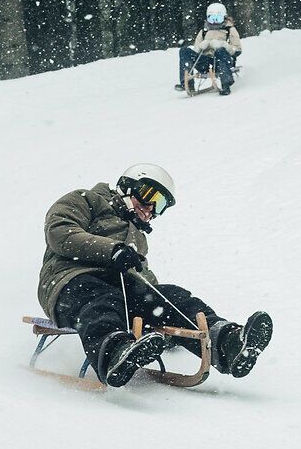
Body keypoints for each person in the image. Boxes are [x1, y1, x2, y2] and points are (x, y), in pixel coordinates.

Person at [37, 164, 273, 388]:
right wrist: (111, 250)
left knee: (170, 297)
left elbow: (145, 281)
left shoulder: (136, 237)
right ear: (127, 186)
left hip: (119, 294)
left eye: (159, 205)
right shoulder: (86, 200)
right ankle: (114, 353)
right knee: (101, 298)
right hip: (69, 282)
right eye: (148, 194)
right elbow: (60, 232)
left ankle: (227, 343)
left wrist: (164, 319)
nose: (150, 207)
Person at [177, 0, 243, 93]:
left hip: (223, 62)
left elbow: (237, 50)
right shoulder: (204, 31)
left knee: (219, 51)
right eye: (212, 18)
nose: (215, 22)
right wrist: (200, 46)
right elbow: (196, 51)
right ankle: (187, 83)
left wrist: (223, 45)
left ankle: (226, 84)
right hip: (206, 63)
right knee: (184, 51)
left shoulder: (230, 30)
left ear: (224, 18)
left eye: (218, 18)